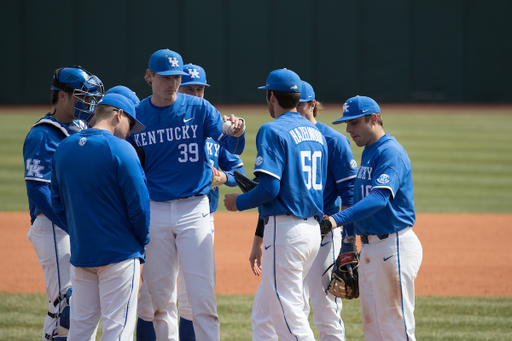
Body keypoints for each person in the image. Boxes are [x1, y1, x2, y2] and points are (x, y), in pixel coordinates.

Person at [128, 49, 246, 341]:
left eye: (177, 77)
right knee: (160, 299)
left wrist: (234, 132)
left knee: (202, 298)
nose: (173, 83)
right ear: (149, 76)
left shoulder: (199, 108)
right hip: (154, 211)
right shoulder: (136, 115)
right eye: (166, 77)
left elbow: (232, 148)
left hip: (195, 209)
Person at [248, 80, 358, 340]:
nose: (295, 111)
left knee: (325, 311)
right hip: (292, 234)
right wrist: (258, 239)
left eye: (301, 106)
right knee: (265, 312)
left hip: (325, 235)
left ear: (312, 105)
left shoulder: (334, 140)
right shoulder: (288, 135)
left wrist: (349, 241)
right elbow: (276, 197)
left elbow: (350, 195)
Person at [224, 69, 327, 341]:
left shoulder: (272, 130)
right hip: (312, 231)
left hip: (286, 233)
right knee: (265, 314)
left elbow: (270, 188)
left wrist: (239, 202)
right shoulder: (315, 133)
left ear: (271, 96)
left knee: (288, 317)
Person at [51, 92, 150, 341]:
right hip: (120, 254)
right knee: (118, 332)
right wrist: (140, 240)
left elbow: (56, 202)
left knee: (80, 330)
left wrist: (78, 232)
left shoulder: (64, 148)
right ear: (118, 115)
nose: (130, 132)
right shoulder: (122, 150)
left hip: (82, 254)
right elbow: (139, 205)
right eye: (130, 124)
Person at [325, 95, 423, 341]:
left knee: (395, 330)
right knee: (373, 331)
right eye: (346, 124)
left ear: (374, 119)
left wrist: (336, 220)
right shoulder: (370, 151)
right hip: (371, 249)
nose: (348, 129)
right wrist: (349, 243)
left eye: (354, 122)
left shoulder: (390, 153)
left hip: (392, 246)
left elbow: (379, 199)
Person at [22, 65, 103, 341]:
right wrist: (70, 223)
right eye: (81, 96)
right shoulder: (43, 135)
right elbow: (37, 191)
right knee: (64, 306)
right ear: (63, 96)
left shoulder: (80, 127)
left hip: (73, 224)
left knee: (77, 304)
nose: (88, 102)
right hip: (54, 227)